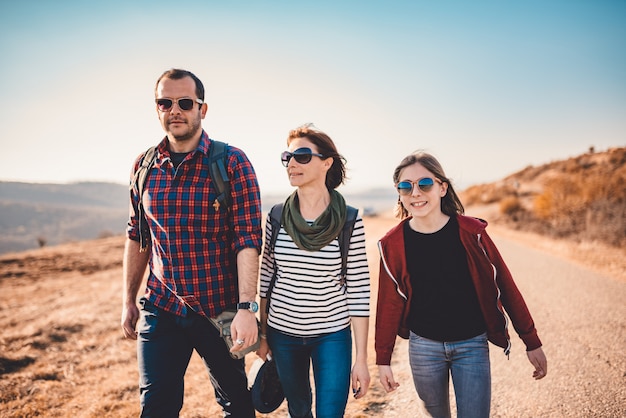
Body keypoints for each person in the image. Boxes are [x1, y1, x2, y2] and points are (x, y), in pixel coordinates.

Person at [121, 68, 263, 417]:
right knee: (155, 407)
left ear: (203, 108)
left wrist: (247, 309)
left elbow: (248, 239)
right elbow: (138, 235)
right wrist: (128, 301)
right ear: (157, 108)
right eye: (165, 102)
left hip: (221, 310)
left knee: (237, 405)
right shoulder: (144, 166)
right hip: (162, 307)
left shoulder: (231, 161)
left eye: (185, 102)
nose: (175, 110)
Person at [375, 151, 548, 418]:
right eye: (406, 186)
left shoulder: (471, 233)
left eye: (425, 184)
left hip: (471, 344)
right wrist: (383, 359)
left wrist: (531, 340)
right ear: (399, 193)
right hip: (424, 349)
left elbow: (505, 284)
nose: (415, 193)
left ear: (442, 187)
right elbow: (388, 304)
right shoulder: (392, 244)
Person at [256, 124, 371, 418]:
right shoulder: (277, 216)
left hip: (332, 335)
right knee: (299, 411)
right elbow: (266, 278)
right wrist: (264, 335)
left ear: (326, 162)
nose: (292, 163)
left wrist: (361, 359)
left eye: (302, 156)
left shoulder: (349, 220)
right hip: (283, 334)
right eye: (288, 157)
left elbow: (358, 290)